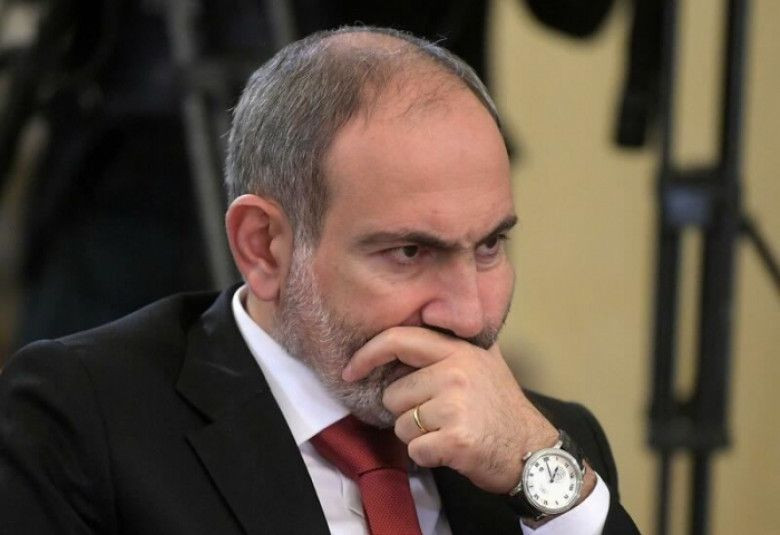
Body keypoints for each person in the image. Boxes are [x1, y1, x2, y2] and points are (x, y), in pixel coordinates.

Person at [0, 27, 638, 534]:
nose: (469, 315)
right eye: (410, 251)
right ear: (264, 247)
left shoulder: (546, 445)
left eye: (491, 245)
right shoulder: (84, 419)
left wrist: (545, 481)